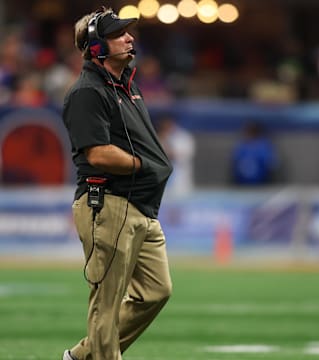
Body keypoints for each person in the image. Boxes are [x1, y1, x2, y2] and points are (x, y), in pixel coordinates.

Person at [62, 6, 173, 360]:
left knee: (156, 291)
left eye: (128, 32)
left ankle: (81, 357)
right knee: (106, 305)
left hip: (140, 207)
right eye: (118, 34)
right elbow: (97, 153)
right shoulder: (87, 92)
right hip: (109, 203)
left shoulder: (127, 85)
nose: (129, 38)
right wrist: (144, 164)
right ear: (96, 46)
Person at [156, 114, 195, 197]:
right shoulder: (157, 137)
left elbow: (180, 155)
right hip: (163, 185)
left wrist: (166, 145)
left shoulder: (183, 137)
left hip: (180, 183)